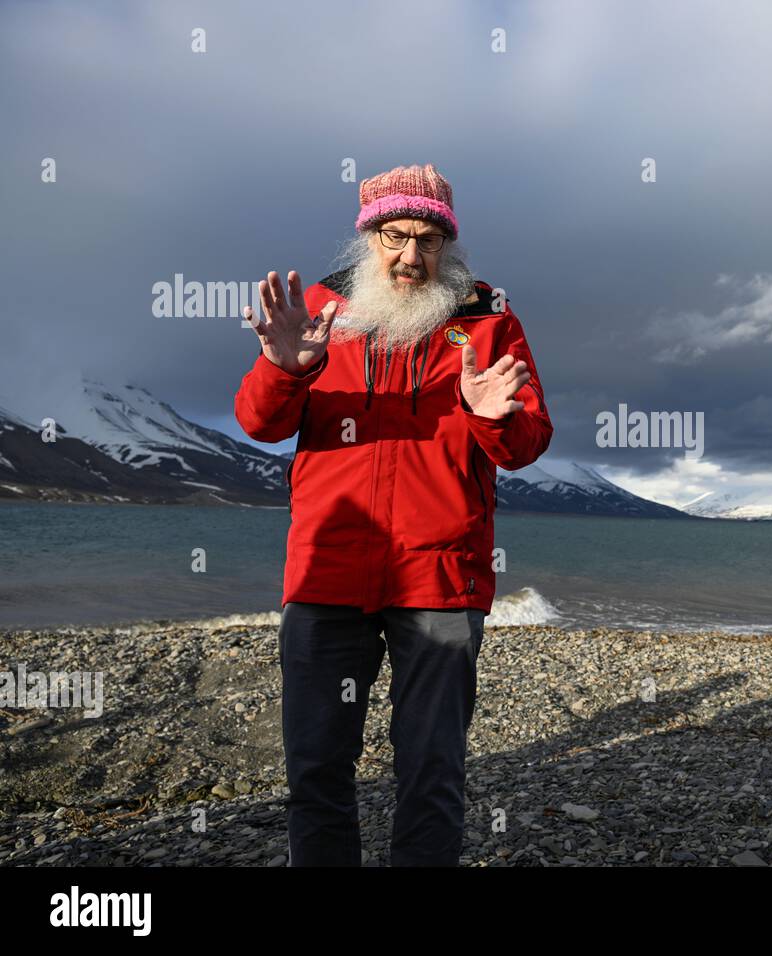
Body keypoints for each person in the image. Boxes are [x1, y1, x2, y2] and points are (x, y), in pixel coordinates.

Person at [234, 163, 553, 866]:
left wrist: (491, 417)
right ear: (367, 236)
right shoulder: (319, 311)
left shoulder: (488, 318)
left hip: (441, 579)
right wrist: (284, 370)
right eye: (394, 235)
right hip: (327, 574)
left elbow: (528, 442)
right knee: (316, 768)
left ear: (448, 244)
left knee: (432, 770)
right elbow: (258, 423)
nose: (412, 255)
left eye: (429, 238)